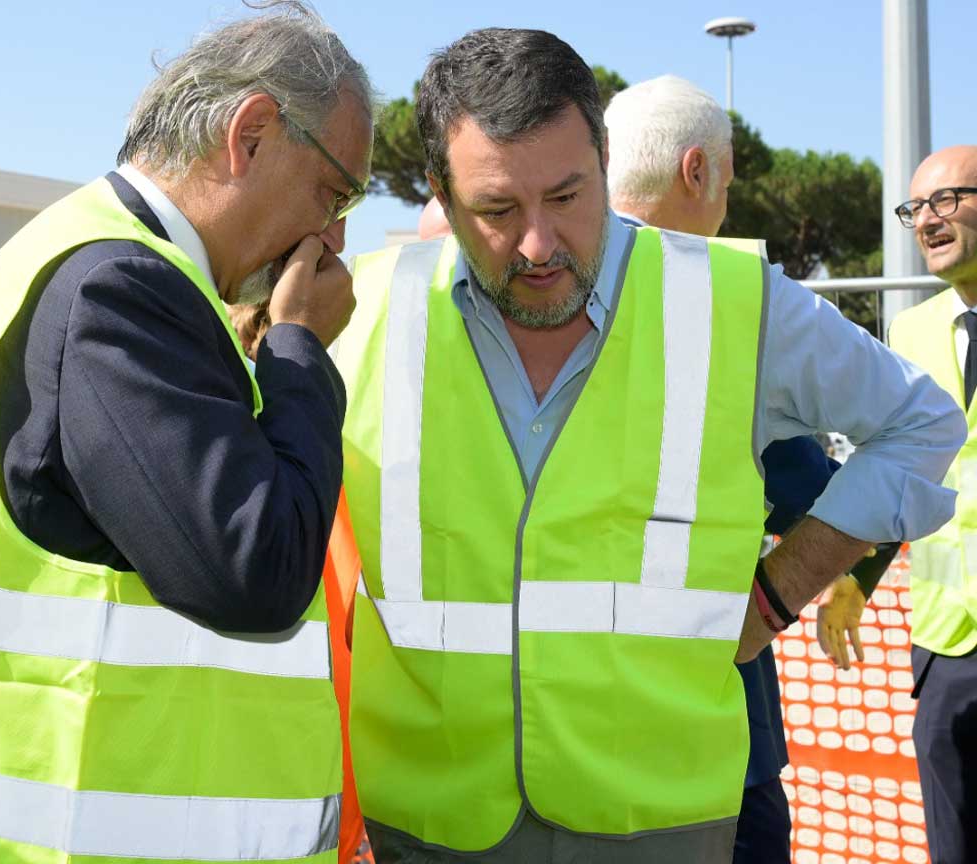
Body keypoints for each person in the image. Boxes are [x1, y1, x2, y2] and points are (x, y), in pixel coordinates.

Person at [333, 29, 965, 863]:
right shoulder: (358, 314)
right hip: (427, 821)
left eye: (567, 196)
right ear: (441, 200)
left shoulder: (734, 304)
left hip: (659, 821)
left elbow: (922, 426)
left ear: (603, 157)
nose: (538, 245)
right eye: (495, 210)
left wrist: (778, 594)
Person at [0, 3, 373, 862]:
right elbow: (255, 570)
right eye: (334, 191)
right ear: (252, 134)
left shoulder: (87, 252)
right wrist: (297, 347)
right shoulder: (125, 288)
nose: (336, 234)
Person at [604, 75, 899, 864]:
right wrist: (783, 595)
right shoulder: (732, 331)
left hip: (558, 757)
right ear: (696, 172)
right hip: (720, 753)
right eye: (727, 186)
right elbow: (852, 493)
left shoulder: (528, 319)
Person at [844, 144, 977, 864]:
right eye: (915, 208)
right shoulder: (908, 333)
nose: (926, 220)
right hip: (946, 645)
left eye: (946, 200)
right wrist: (853, 579)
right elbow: (894, 477)